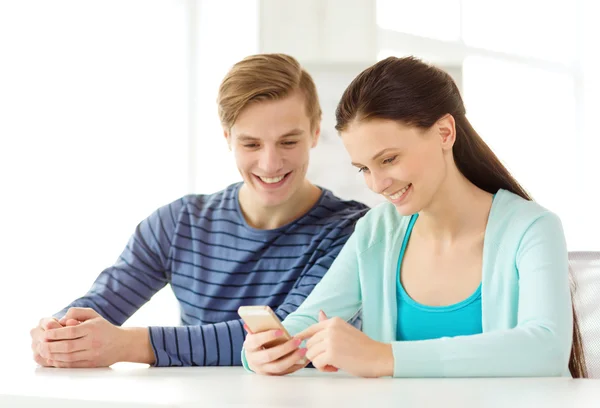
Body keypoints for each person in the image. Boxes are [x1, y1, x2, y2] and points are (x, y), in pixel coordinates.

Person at [242, 56, 587, 378]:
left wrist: (385, 357)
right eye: (364, 168)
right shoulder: (377, 231)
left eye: (389, 159)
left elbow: (546, 348)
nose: (377, 184)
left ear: (444, 133)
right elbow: (304, 323)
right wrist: (261, 352)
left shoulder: (531, 229)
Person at [29, 53, 369, 368]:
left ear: (314, 131)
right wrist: (60, 334)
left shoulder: (352, 231)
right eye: (251, 144)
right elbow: (99, 305)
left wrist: (128, 345)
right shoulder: (179, 224)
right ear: (227, 137)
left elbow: (284, 337)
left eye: (288, 142)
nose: (270, 163)